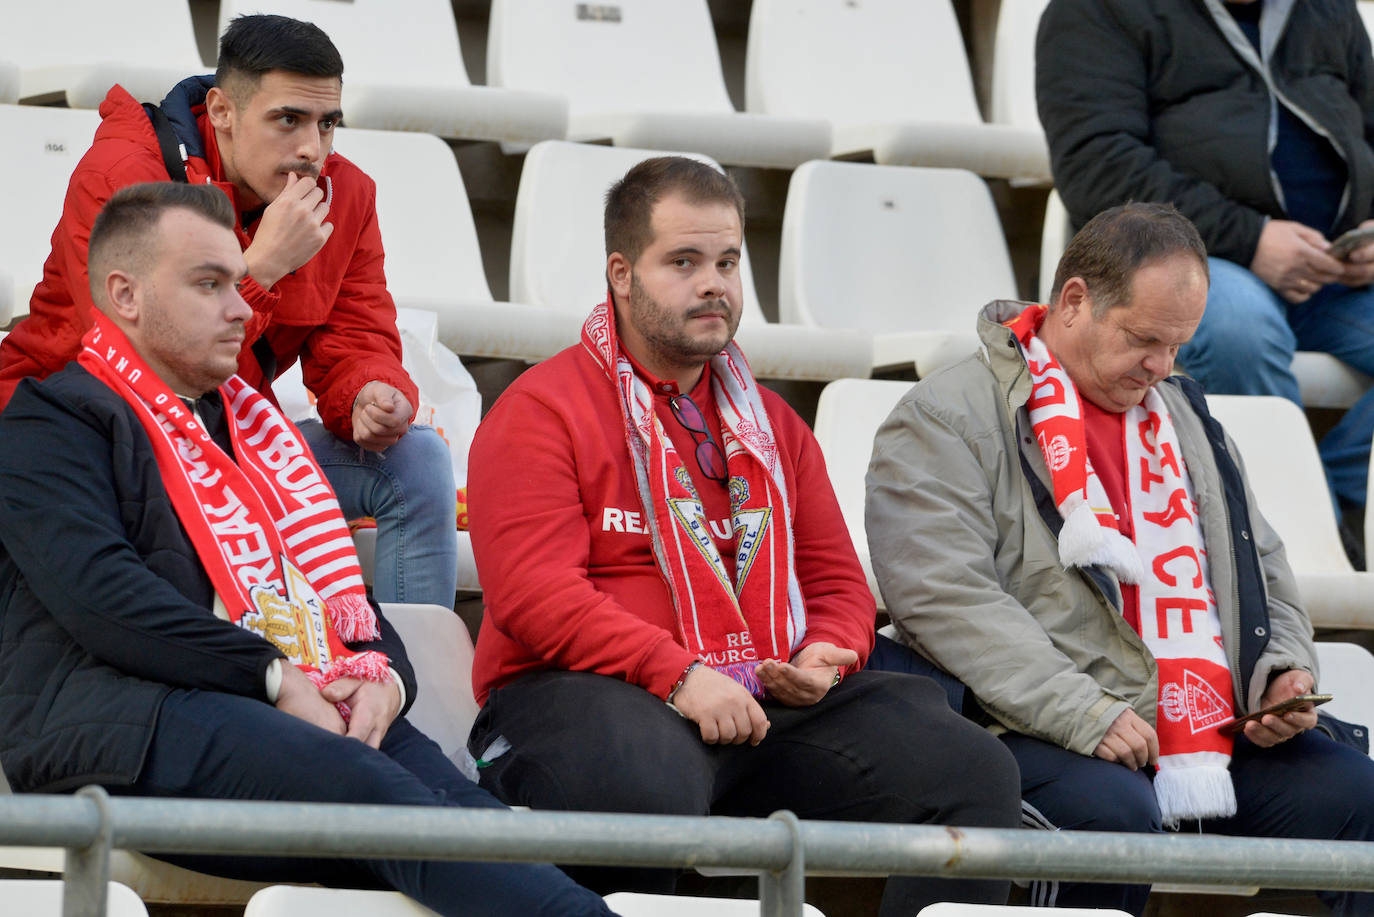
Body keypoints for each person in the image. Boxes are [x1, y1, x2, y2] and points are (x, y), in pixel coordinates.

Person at [0, 182, 613, 917]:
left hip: (281, 709)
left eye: (237, 281)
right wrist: (272, 675)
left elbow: (337, 597)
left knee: (463, 809)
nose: (240, 307)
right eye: (209, 283)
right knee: (373, 792)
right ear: (125, 296)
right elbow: (104, 600)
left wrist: (385, 678)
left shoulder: (252, 433)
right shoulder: (47, 421)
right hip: (121, 727)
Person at [464, 156, 1022, 914]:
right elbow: (535, 596)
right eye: (684, 262)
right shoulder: (541, 410)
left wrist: (828, 649)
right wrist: (678, 674)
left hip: (761, 694)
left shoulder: (773, 424)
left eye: (728, 261)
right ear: (621, 274)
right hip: (584, 692)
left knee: (971, 768)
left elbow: (836, 582)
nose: (714, 284)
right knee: (645, 779)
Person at [866, 202, 1374, 915]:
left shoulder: (1185, 413)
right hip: (1022, 725)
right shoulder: (942, 416)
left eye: (1178, 346)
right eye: (1144, 339)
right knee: (1111, 816)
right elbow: (945, 599)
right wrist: (1085, 712)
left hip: (1203, 729)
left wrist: (1281, 671)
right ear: (1074, 301)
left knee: (1360, 797)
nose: (1161, 367)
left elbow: (1261, 564)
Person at [0, 14, 457, 606]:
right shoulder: (124, 175)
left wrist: (371, 391)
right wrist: (259, 267)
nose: (310, 150)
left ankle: (398, 685)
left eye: (328, 124)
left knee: (416, 462)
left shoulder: (347, 195)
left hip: (225, 439)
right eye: (287, 120)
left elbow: (358, 334)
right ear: (221, 112)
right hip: (93, 442)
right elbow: (133, 370)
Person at [1036, 0, 1374, 531]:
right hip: (1195, 263)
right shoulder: (1094, 10)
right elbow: (1096, 168)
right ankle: (1295, 540)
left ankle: (1344, 507)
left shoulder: (1329, 9)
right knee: (1241, 330)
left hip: (1336, 272)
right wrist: (1252, 239)